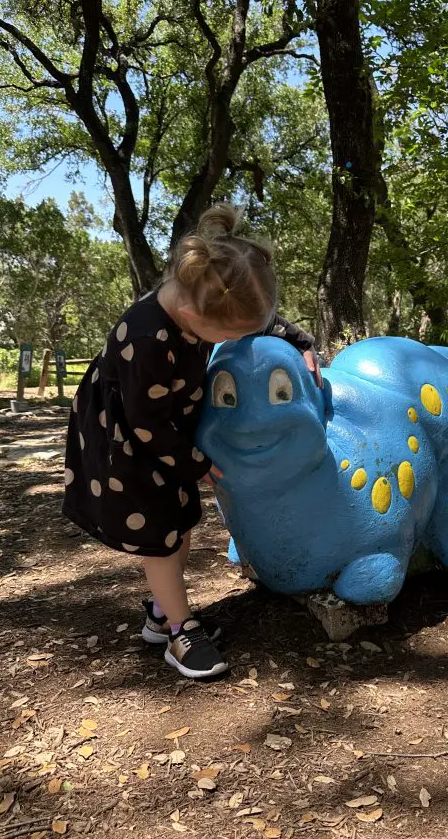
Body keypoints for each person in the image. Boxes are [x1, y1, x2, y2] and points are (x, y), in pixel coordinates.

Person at [62, 204, 320, 680]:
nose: (236, 339)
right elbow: (146, 423)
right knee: (160, 539)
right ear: (189, 316)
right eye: (228, 336)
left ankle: (162, 615)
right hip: (131, 443)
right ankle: (180, 632)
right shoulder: (146, 339)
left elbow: (253, 316)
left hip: (166, 435)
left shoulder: (208, 297)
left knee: (178, 524)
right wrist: (197, 462)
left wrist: (300, 340)